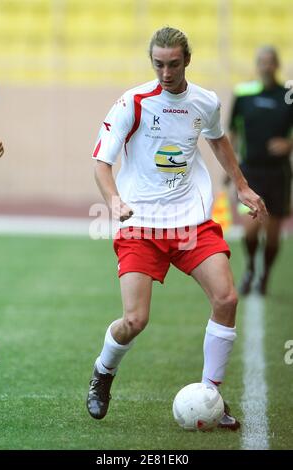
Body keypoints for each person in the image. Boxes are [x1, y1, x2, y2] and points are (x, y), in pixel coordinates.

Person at [87, 27, 267, 430]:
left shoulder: (204, 101)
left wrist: (241, 186)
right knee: (135, 320)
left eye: (172, 64)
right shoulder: (133, 102)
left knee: (226, 298)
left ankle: (211, 395)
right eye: (158, 64)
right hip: (141, 226)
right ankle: (103, 372)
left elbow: (218, 140)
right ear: (152, 62)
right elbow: (101, 161)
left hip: (191, 221)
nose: (165, 72)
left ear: (187, 60)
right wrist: (115, 200)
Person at [229, 46, 293, 295]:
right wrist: (231, 165)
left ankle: (265, 273)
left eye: (270, 62)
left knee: (274, 236)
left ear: (277, 65)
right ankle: (250, 270)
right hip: (250, 173)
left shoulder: (288, 94)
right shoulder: (243, 94)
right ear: (257, 65)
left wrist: (289, 144)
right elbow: (232, 131)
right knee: (250, 230)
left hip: (278, 173)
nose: (266, 66)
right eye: (262, 62)